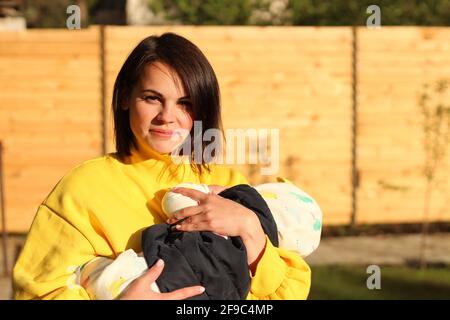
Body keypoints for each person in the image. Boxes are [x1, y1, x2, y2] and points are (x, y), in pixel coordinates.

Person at [13, 32, 312, 300]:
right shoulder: (83, 188)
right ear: (127, 97)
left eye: (185, 103)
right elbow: (37, 293)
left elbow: (283, 294)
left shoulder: (230, 185)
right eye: (152, 98)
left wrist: (250, 229)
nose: (167, 117)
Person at [74, 180, 322, 300]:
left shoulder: (230, 204)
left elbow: (175, 199)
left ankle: (90, 275)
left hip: (151, 273)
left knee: (102, 277)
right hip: (195, 294)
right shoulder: (273, 270)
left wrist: (204, 190)